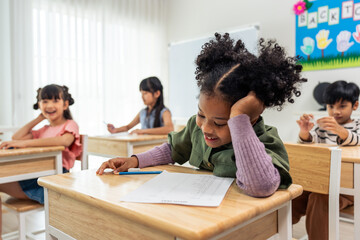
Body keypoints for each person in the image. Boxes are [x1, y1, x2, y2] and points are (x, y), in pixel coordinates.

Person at [97, 33, 306, 198]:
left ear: (249, 118)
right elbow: (171, 148)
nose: (205, 127)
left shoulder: (266, 139)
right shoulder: (196, 127)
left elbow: (261, 186)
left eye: (220, 122)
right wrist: (134, 161)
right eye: (201, 114)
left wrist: (239, 118)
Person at [0, 84, 81, 235]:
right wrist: (39, 118)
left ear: (65, 104)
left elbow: (64, 142)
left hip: (53, 182)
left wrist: (23, 143)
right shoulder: (44, 129)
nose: (49, 105)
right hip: (33, 176)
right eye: (44, 101)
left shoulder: (70, 125)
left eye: (55, 100)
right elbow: (16, 137)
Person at [293, 80, 359, 240]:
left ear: (354, 106)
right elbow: (309, 143)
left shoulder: (357, 125)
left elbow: (356, 140)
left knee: (319, 196)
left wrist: (340, 131)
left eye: (342, 106)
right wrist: (304, 132)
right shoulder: (322, 128)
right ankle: (277, 230)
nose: (335, 111)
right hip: (320, 182)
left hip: (348, 188)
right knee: (294, 194)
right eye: (330, 106)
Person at [107, 76, 174, 135]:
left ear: (157, 93)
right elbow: (128, 127)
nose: (142, 97)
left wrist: (142, 131)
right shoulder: (143, 112)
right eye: (141, 94)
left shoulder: (164, 112)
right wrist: (115, 130)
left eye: (145, 93)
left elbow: (169, 129)